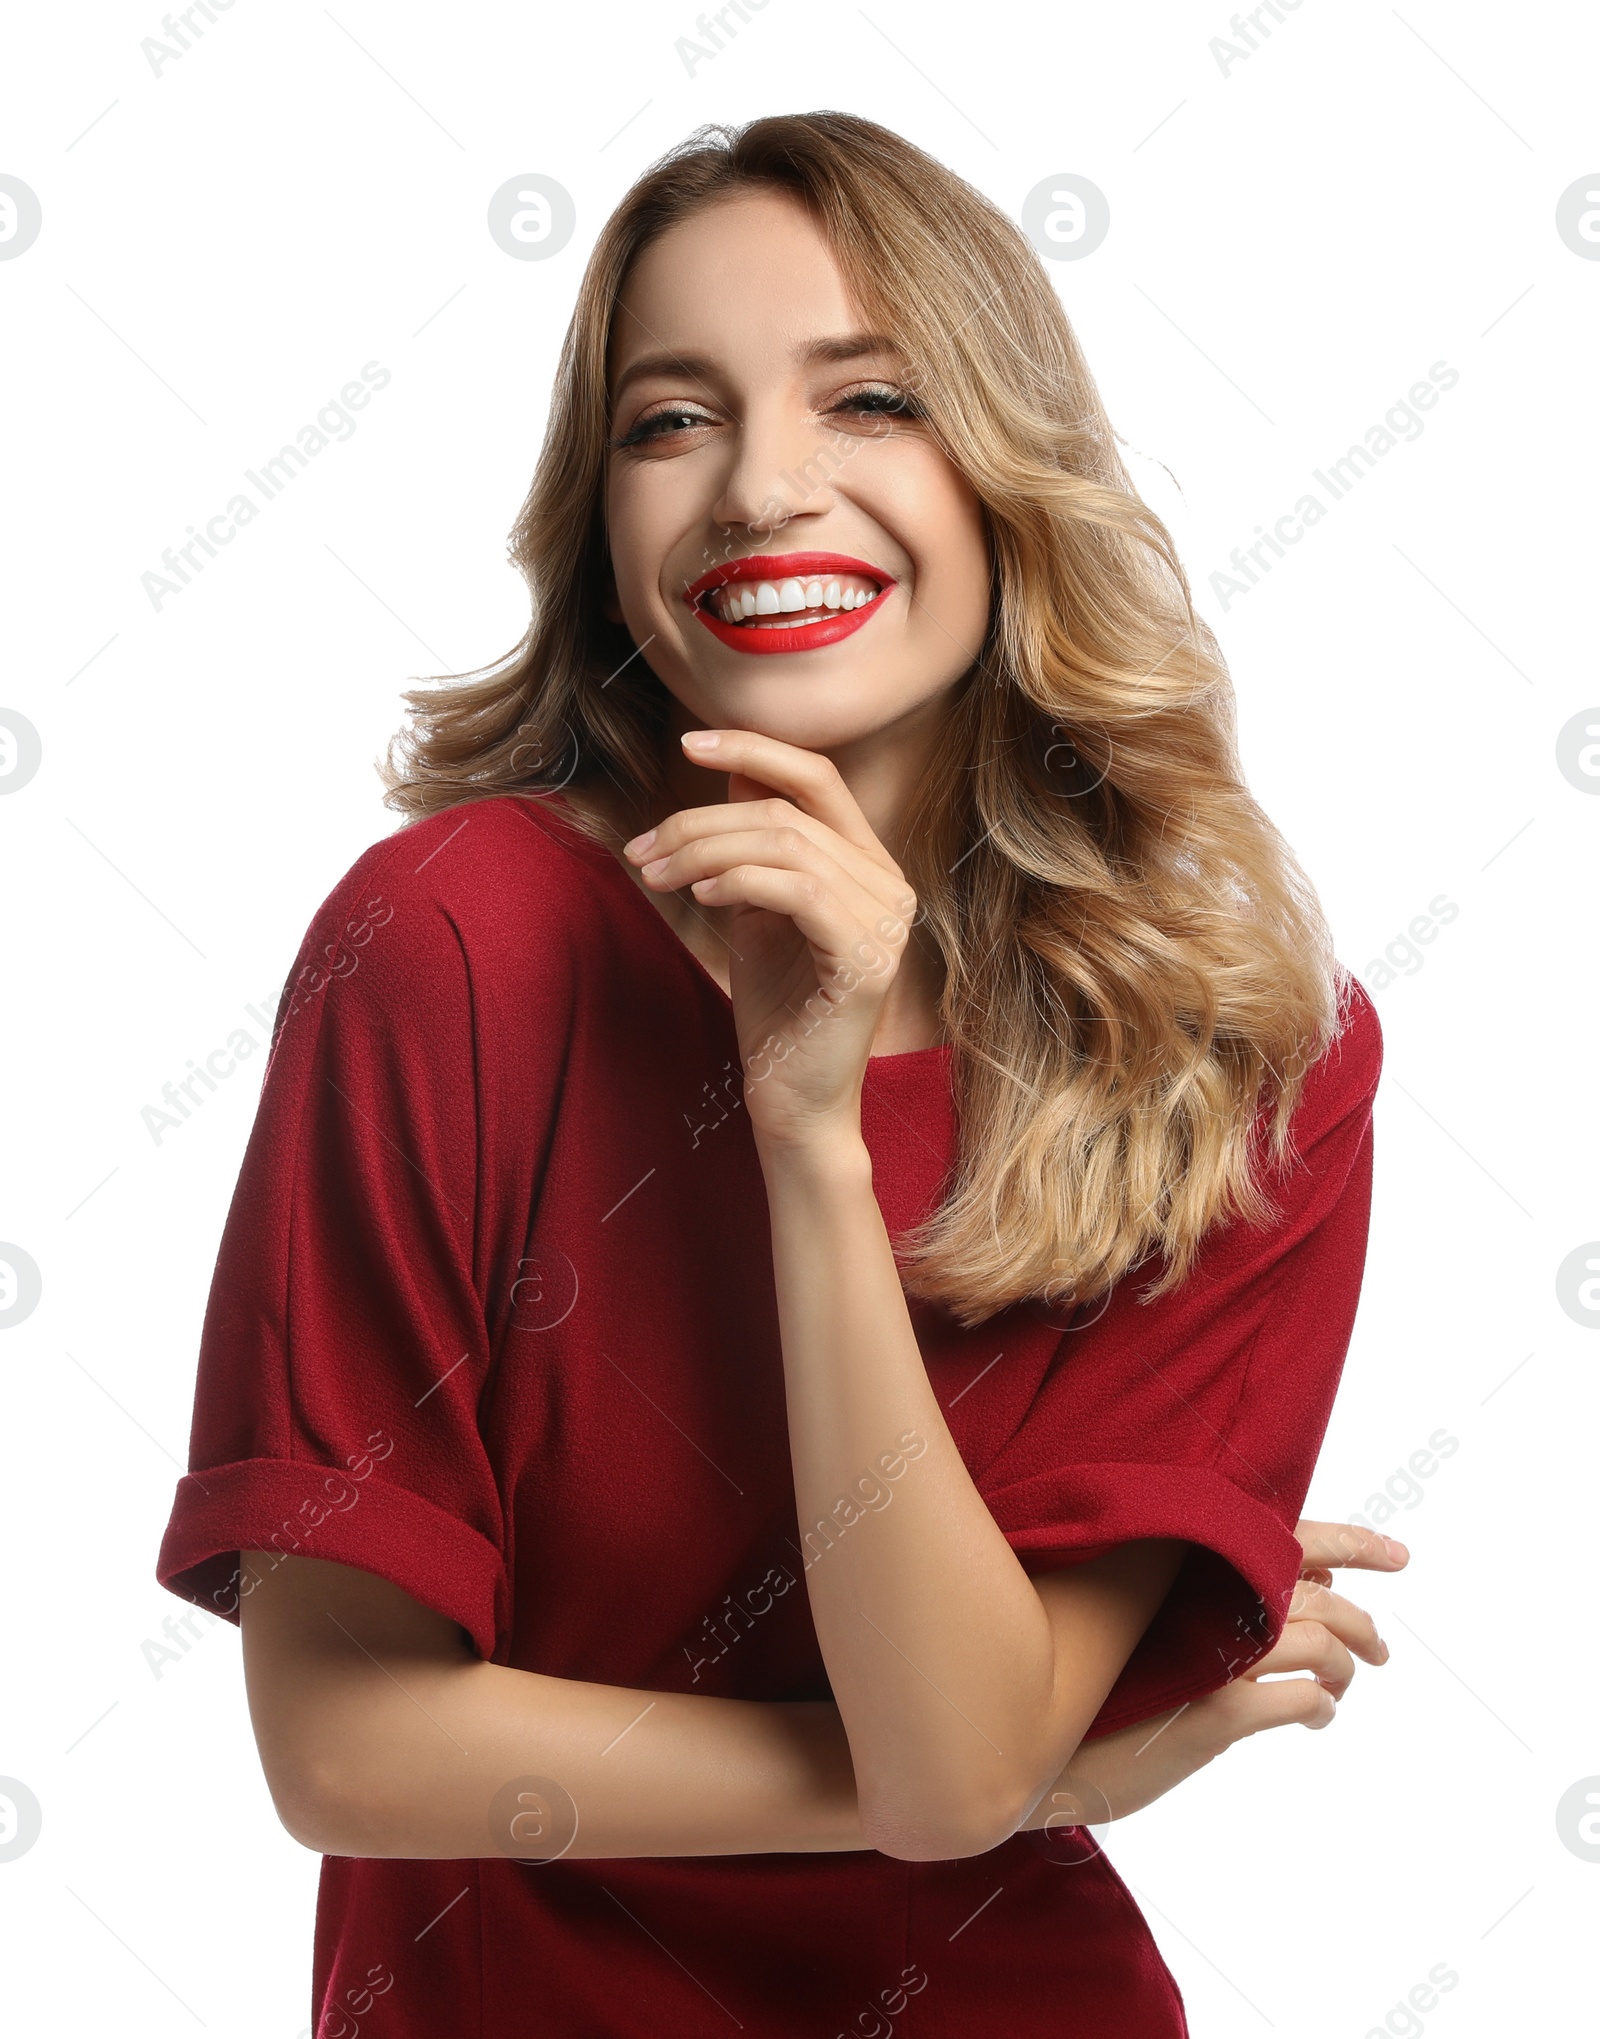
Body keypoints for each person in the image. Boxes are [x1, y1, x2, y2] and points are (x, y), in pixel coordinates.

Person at [156, 111, 1406, 2037]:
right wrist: (1032, 1781)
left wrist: (808, 1140)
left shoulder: (1241, 1049)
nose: (762, 487)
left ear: (1009, 471)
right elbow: (341, 1743)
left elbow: (956, 1753)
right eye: (673, 419)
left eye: (871, 400)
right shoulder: (454, 944)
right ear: (603, 520)